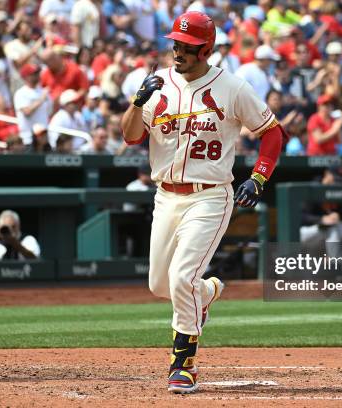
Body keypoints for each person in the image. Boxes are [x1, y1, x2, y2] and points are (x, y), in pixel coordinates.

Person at [121, 11, 285, 394]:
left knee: (181, 278)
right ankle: (206, 293)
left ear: (206, 49)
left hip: (209, 197)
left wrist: (259, 177)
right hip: (166, 196)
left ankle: (184, 363)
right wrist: (136, 102)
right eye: (175, 44)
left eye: (187, 46)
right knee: (160, 284)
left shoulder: (232, 87)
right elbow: (131, 137)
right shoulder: (158, 85)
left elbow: (272, 134)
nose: (178, 51)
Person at [299, 166, 342, 255]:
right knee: (331, 229)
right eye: (335, 179)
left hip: (330, 234)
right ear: (327, 174)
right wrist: (321, 219)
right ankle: (335, 266)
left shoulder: (338, 191)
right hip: (308, 232)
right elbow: (300, 217)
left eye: (339, 180)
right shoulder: (312, 189)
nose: (336, 183)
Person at [14, 63, 52, 145]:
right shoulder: (21, 93)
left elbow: (49, 111)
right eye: (34, 73)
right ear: (26, 76)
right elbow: (27, 112)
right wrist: (41, 99)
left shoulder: (43, 91)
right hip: (28, 139)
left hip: (44, 139)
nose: (37, 75)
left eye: (38, 73)